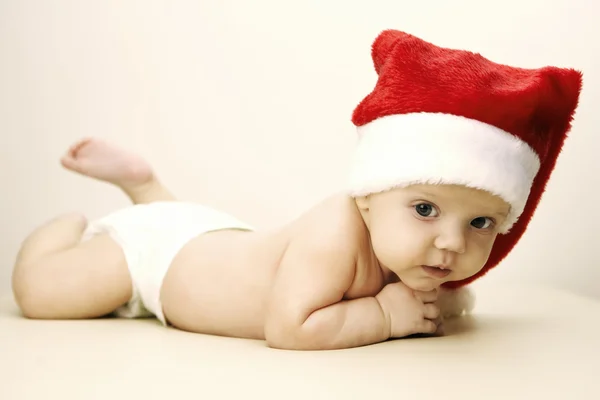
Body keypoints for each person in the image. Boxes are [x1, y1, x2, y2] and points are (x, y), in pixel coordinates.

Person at [11, 30, 583, 350]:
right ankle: (65, 231)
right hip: (152, 262)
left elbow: (439, 300)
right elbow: (288, 327)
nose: (451, 244)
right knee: (43, 297)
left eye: (480, 223)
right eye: (426, 209)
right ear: (367, 196)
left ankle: (148, 189)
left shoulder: (410, 252)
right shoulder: (335, 234)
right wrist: (384, 317)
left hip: (205, 233)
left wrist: (444, 302)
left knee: (190, 227)